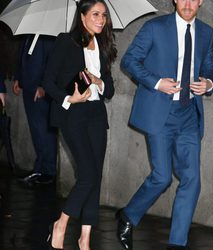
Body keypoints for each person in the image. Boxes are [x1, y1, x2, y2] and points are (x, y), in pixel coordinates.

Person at [116, 0, 213, 250]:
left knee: (192, 178)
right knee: (162, 178)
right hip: (160, 112)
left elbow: (210, 67)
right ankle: (128, 215)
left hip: (189, 114)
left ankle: (177, 243)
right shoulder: (154, 28)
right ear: (174, 0)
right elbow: (129, 61)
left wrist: (209, 83)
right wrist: (157, 82)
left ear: (201, 1)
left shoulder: (206, 32)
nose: (188, 3)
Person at [42, 0, 117, 249]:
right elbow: (48, 81)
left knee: (95, 175)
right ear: (82, 16)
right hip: (73, 113)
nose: (100, 19)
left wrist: (99, 81)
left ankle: (85, 238)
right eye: (95, 14)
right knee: (87, 175)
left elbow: (110, 89)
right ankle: (61, 224)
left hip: (96, 114)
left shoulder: (103, 44)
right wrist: (69, 98)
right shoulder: (66, 41)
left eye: (104, 15)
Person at [13, 34, 57, 185]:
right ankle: (40, 168)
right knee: (36, 131)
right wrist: (19, 78)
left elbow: (52, 64)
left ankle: (48, 171)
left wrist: (44, 87)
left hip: (40, 91)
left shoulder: (48, 37)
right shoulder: (29, 35)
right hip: (28, 88)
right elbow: (23, 57)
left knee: (44, 131)